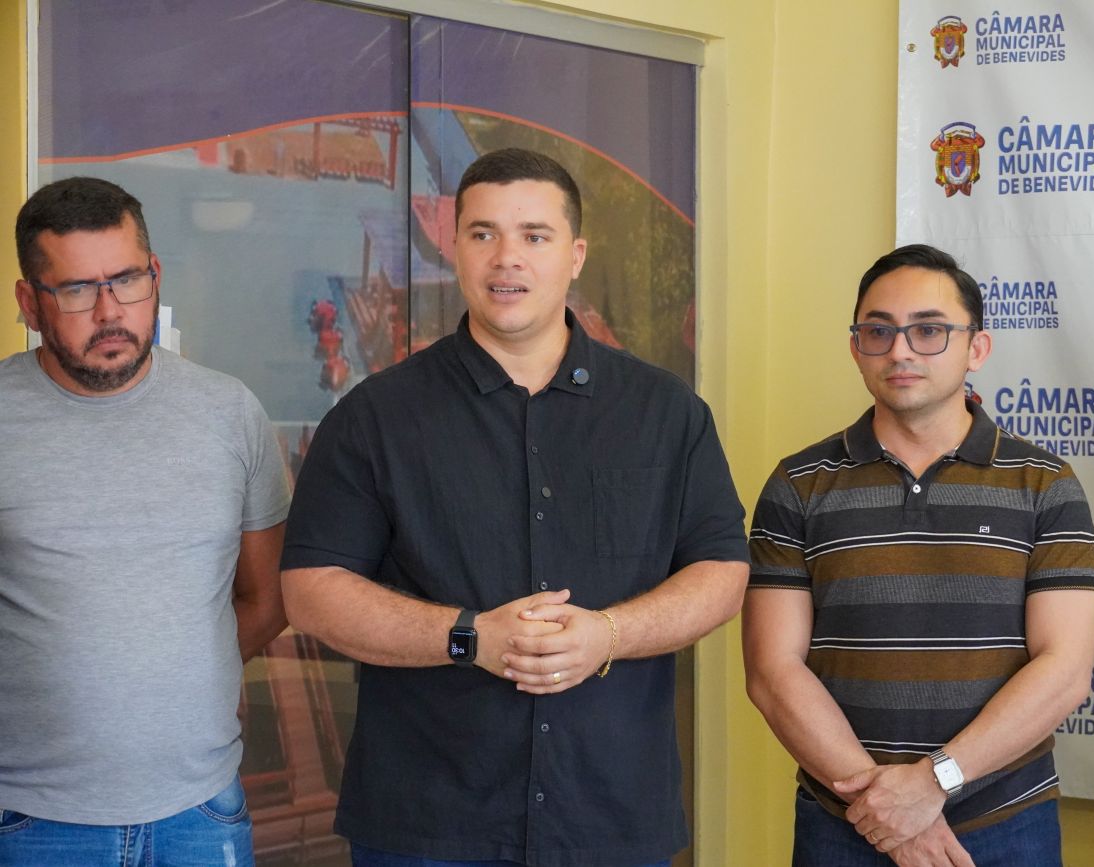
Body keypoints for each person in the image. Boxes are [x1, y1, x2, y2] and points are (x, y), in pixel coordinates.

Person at [280, 148, 749, 866]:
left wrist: (609, 633)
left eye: (534, 234)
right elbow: (312, 592)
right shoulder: (375, 417)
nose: (507, 258)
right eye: (483, 233)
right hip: (426, 823)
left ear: (575, 255)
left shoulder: (667, 412)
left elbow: (721, 570)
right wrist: (468, 637)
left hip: (610, 819)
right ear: (454, 248)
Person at [743, 244, 1094, 867]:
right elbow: (773, 671)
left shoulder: (1045, 483)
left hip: (1005, 823)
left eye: (929, 330)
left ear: (977, 348)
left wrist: (933, 782)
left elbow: (1065, 670)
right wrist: (887, 811)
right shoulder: (798, 484)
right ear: (856, 346)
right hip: (843, 823)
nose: (901, 351)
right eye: (878, 331)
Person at [0, 177, 291, 864]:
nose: (110, 311)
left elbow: (268, 597)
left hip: (202, 811)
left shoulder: (229, 413)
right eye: (76, 289)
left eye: (127, 280)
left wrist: (183, 675)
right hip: (31, 817)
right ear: (29, 303)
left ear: (155, 274)